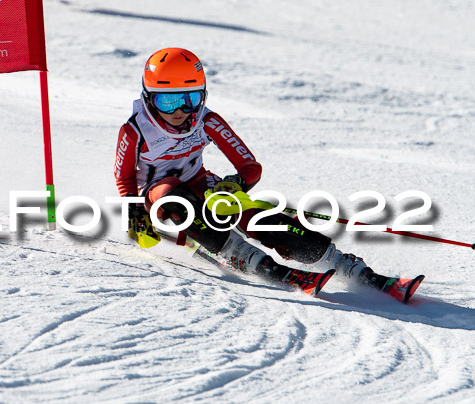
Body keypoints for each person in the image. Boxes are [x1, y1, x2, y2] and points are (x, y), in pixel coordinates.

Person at [114, 47, 389, 289]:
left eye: (191, 99)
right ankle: (236, 252)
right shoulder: (136, 130)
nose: (181, 111)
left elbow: (249, 165)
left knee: (249, 211)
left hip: (199, 181)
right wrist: (134, 210)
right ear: (149, 98)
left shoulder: (206, 121)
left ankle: (338, 262)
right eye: (168, 101)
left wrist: (235, 185)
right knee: (173, 193)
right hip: (156, 196)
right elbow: (124, 176)